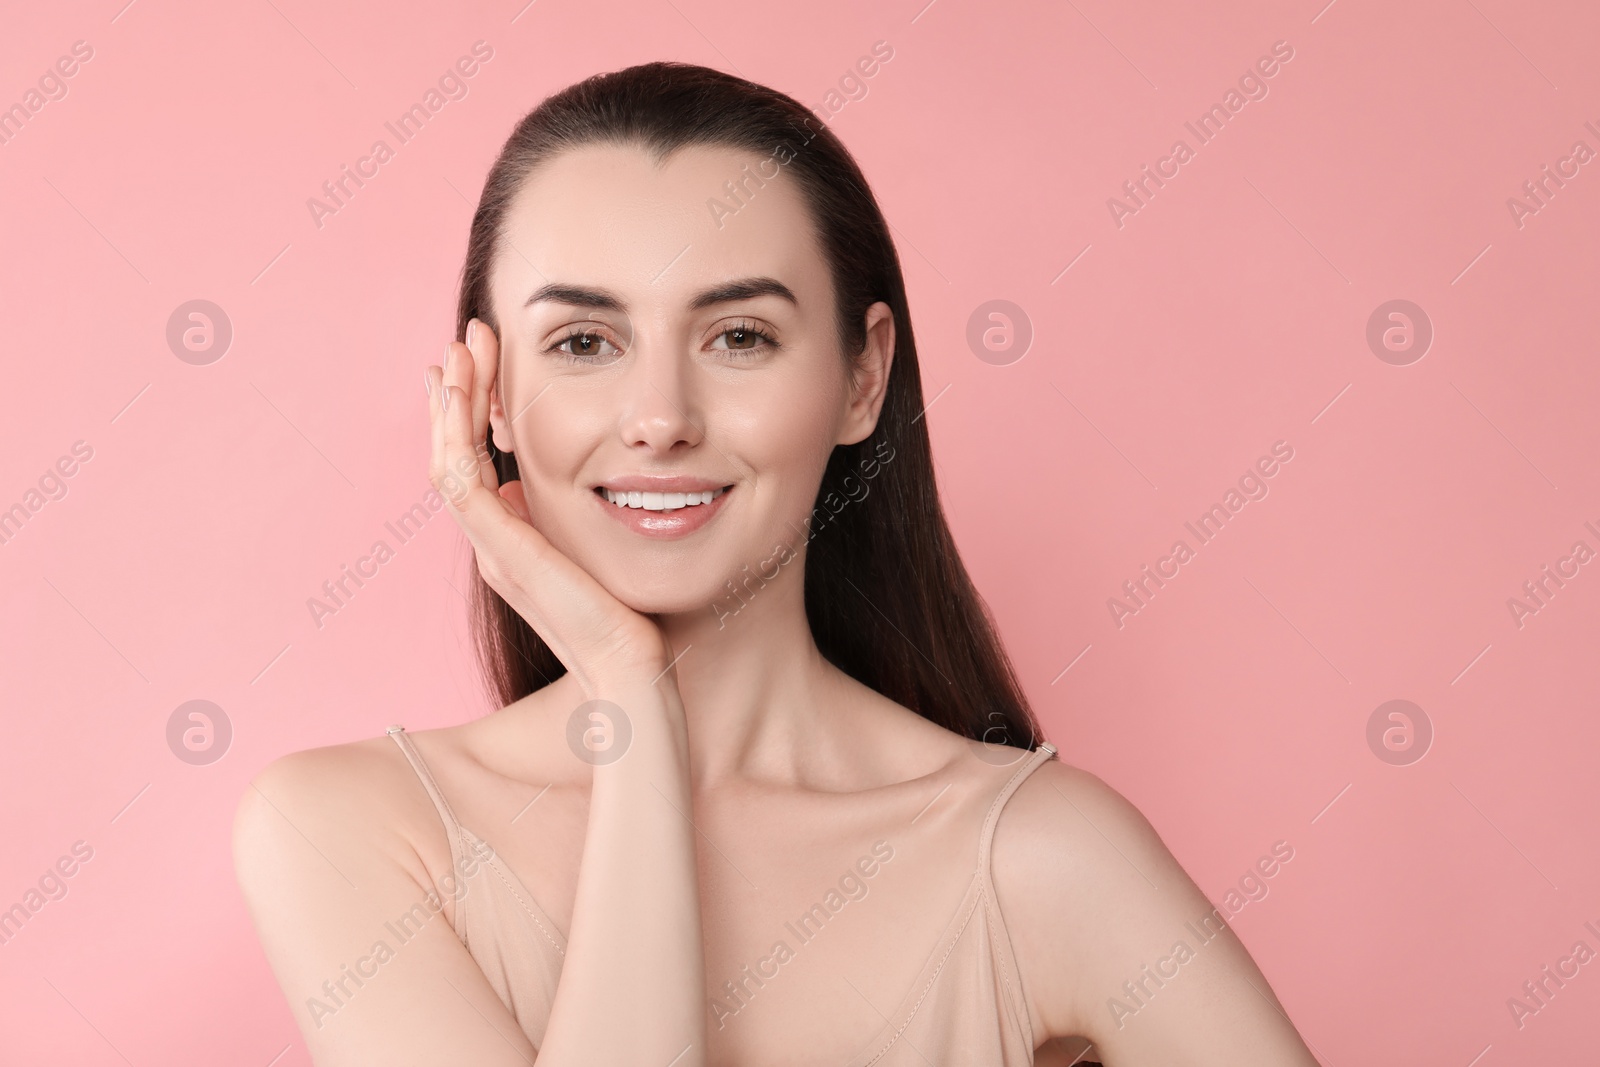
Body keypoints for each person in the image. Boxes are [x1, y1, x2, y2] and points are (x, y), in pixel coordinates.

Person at [233, 61, 1319, 1066]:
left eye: (738, 335)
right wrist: (631, 702)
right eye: (583, 343)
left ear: (861, 376)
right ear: (493, 396)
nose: (659, 419)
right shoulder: (350, 832)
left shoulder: (1042, 858)